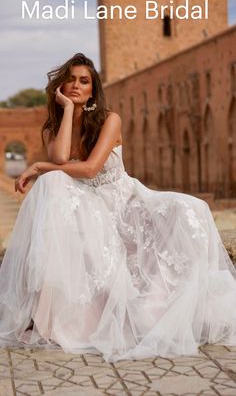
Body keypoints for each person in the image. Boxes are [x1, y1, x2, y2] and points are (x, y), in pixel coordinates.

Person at [0, 52, 236, 363]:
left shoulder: (111, 120)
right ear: (60, 86)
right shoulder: (54, 129)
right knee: (51, 184)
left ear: (93, 88)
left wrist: (38, 166)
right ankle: (58, 310)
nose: (75, 85)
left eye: (84, 81)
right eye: (70, 80)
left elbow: (90, 169)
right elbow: (60, 161)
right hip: (88, 205)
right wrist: (69, 111)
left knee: (190, 209)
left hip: (123, 201)